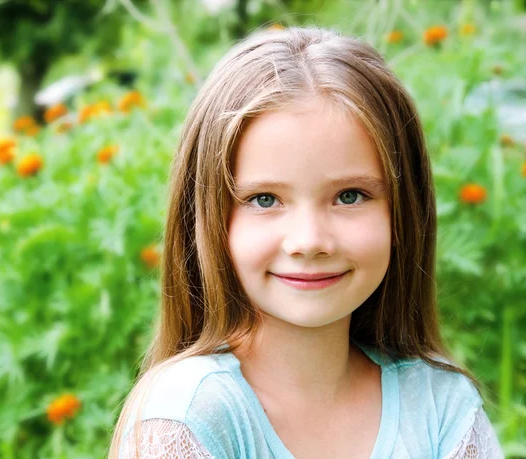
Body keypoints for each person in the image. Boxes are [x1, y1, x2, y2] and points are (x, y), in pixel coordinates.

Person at [108, 27, 504, 459]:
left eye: (349, 196)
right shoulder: (188, 416)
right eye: (264, 199)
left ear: (405, 213)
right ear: (205, 220)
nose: (310, 241)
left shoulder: (440, 406)